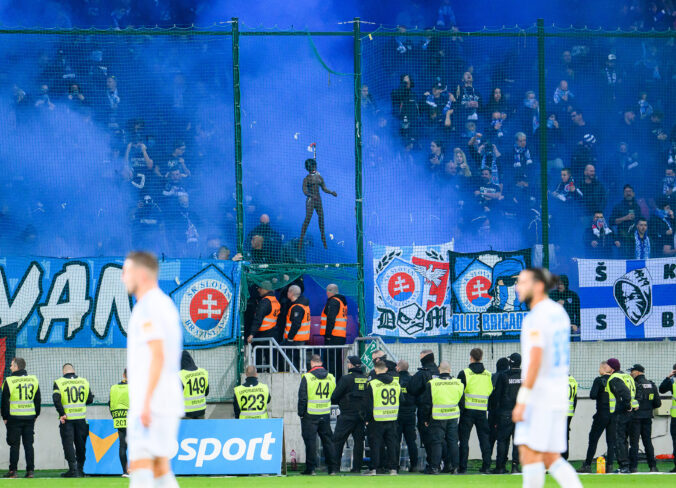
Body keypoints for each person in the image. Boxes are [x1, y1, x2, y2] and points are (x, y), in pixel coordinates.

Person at [512, 268, 583, 488]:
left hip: (540, 394)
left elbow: (535, 359)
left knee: (528, 452)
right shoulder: (559, 312)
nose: (517, 287)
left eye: (522, 282)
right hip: (558, 393)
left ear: (539, 286)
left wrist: (523, 399)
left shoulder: (537, 316)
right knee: (551, 457)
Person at [122, 251, 184, 488]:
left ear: (141, 273)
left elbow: (158, 355)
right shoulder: (160, 304)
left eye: (126, 271)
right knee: (159, 469)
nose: (123, 277)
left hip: (153, 403)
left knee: (139, 469)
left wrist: (145, 403)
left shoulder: (149, 306)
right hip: (162, 400)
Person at [420, 361, 463, 474]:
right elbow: (461, 401)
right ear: (449, 370)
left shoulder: (432, 383)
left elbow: (427, 403)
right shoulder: (458, 383)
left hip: (437, 417)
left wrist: (425, 419)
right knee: (453, 442)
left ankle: (434, 467)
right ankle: (455, 467)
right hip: (453, 417)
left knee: (437, 442)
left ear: (439, 370)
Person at [298, 355, 338, 475]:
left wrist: (300, 413)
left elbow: (303, 397)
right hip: (325, 413)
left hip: (310, 414)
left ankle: (311, 469)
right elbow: (334, 394)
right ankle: (332, 469)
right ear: (321, 362)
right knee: (328, 441)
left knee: (310, 442)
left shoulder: (307, 377)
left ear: (311, 363)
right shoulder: (330, 377)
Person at [53, 363, 94, 478]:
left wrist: (62, 413)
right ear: (73, 371)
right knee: (81, 444)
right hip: (81, 419)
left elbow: (56, 400)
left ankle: (73, 469)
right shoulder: (84, 381)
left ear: (63, 371)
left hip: (67, 420)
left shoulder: (59, 382)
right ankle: (80, 470)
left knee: (68, 444)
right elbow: (90, 399)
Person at [2, 357, 40, 479]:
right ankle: (30, 472)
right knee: (29, 445)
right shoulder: (33, 380)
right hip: (29, 418)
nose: (10, 367)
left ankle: (13, 471)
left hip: (14, 418)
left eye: (12, 365)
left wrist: (5, 417)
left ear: (17, 367)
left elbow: (4, 402)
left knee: (14, 445)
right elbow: (37, 399)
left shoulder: (9, 381)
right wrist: (36, 415)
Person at [362, 358, 400, 476]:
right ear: (387, 369)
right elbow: (401, 399)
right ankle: (393, 469)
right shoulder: (395, 382)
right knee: (392, 444)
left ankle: (374, 468)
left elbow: (368, 405)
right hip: (392, 418)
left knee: (375, 444)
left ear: (375, 370)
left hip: (376, 419)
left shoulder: (372, 384)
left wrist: (367, 419)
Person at [457, 348, 493, 474]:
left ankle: (463, 467)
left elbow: (459, 393)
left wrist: (461, 409)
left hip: (467, 411)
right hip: (482, 411)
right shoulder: (488, 374)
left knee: (464, 440)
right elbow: (490, 392)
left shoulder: (464, 373)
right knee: (484, 440)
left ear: (471, 357)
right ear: (481, 357)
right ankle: (487, 466)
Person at [331, 356, 367, 472]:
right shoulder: (366, 378)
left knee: (338, 441)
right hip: (361, 415)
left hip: (347, 414)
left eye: (348, 363)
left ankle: (335, 467)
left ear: (351, 365)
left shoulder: (346, 379)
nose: (347, 365)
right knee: (359, 442)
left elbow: (335, 396)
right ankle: (357, 468)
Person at [578, 361, 615, 473]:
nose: (599, 370)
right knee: (611, 441)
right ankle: (609, 466)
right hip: (613, 414)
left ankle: (587, 465)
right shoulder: (616, 380)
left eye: (600, 368)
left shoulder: (599, 380)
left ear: (604, 369)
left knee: (593, 439)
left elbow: (593, 395)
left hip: (601, 414)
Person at [406, 350, 440, 469]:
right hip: (442, 410)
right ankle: (447, 464)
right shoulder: (440, 371)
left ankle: (432, 465)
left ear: (424, 359)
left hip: (425, 409)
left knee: (428, 439)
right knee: (442, 440)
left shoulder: (422, 373)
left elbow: (411, 388)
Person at [605, 358, 636, 474]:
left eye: (607, 365)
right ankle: (627, 465)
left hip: (620, 412)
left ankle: (624, 466)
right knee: (625, 439)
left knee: (619, 439)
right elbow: (636, 391)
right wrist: (632, 406)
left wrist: (627, 405)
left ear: (612, 368)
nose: (605, 367)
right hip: (630, 413)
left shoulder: (614, 378)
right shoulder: (627, 377)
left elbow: (625, 394)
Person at [493, 353, 522, 474]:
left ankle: (500, 467)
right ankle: (515, 466)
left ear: (510, 362)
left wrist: (495, 416)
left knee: (503, 440)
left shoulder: (503, 376)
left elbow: (497, 397)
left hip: (505, 413)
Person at [629, 365, 660, 472]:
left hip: (635, 417)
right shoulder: (651, 385)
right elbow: (658, 403)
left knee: (634, 443)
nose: (630, 374)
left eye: (632, 372)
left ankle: (633, 467)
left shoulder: (634, 384)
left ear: (637, 372)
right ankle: (653, 467)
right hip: (647, 417)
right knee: (647, 442)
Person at [395, 360, 419, 473]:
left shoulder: (395, 380)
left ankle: (394, 466)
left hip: (398, 414)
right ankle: (414, 465)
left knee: (395, 441)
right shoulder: (413, 379)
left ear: (398, 368)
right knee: (411, 441)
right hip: (410, 414)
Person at [320, 284, 348, 377]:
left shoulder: (333, 302)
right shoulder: (341, 302)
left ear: (329, 291)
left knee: (330, 361)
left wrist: (327, 335)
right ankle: (338, 381)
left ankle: (332, 381)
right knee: (337, 361)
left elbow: (330, 319)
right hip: (340, 336)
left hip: (333, 336)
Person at [109, 369, 129, 477]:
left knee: (122, 446)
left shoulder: (114, 388)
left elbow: (110, 403)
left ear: (123, 375)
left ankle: (125, 471)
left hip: (119, 419)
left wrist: (115, 416)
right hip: (132, 420)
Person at [489, 357, 510, 459]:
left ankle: (487, 462)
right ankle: (502, 462)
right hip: (505, 412)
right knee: (504, 440)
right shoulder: (507, 377)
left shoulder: (492, 377)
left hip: (492, 412)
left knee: (490, 438)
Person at [179, 351, 209, 419]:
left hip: (186, 412)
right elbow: (206, 392)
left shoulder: (180, 375)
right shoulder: (203, 372)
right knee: (200, 429)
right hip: (201, 410)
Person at [658, 364, 676, 473]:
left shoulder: (673, 382)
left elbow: (661, 389)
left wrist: (668, 377)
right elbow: (662, 390)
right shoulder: (673, 382)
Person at [562, 375, 578, 460]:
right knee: (565, 435)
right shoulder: (572, 379)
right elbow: (575, 398)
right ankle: (564, 458)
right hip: (569, 412)